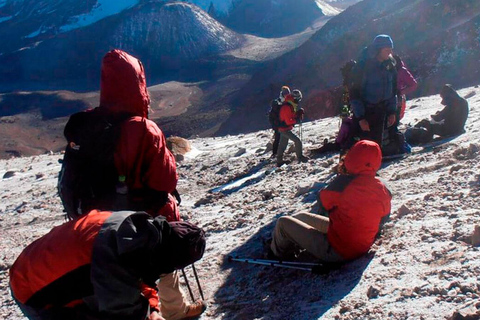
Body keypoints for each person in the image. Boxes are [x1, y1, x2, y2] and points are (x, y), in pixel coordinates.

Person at [62, 49, 205, 319]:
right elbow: (164, 180)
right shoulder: (142, 128)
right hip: (140, 217)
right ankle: (174, 310)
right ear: (139, 83)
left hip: (96, 221)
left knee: (113, 274)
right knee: (162, 258)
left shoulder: (88, 122)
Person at [9, 210, 206, 320]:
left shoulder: (136, 228)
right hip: (34, 290)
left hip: (41, 265)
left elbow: (138, 278)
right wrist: (149, 315)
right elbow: (123, 312)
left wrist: (153, 309)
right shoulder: (115, 258)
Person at [270, 140, 391, 263]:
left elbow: (323, 203)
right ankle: (291, 241)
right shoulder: (382, 187)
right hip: (361, 243)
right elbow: (384, 217)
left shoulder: (342, 185)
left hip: (338, 251)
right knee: (300, 217)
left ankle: (276, 253)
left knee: (283, 223)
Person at [350, 34, 398, 149]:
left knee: (377, 146)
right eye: (387, 50)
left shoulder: (390, 65)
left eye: (391, 49)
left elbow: (393, 90)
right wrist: (361, 118)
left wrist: (392, 112)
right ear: (378, 50)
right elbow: (355, 93)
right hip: (367, 112)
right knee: (364, 145)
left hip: (383, 111)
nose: (390, 52)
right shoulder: (363, 67)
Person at [276, 89, 309, 166]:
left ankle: (279, 161)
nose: (299, 101)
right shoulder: (287, 107)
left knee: (283, 144)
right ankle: (300, 157)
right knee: (297, 141)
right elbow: (288, 121)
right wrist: (296, 119)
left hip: (283, 128)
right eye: (298, 99)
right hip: (285, 129)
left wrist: (297, 113)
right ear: (295, 98)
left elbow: (290, 116)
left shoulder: (289, 104)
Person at [269, 86, 291, 157]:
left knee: (281, 138)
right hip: (278, 123)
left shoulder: (282, 101)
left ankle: (278, 153)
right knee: (278, 137)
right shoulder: (279, 103)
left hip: (280, 122)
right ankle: (276, 153)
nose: (287, 95)